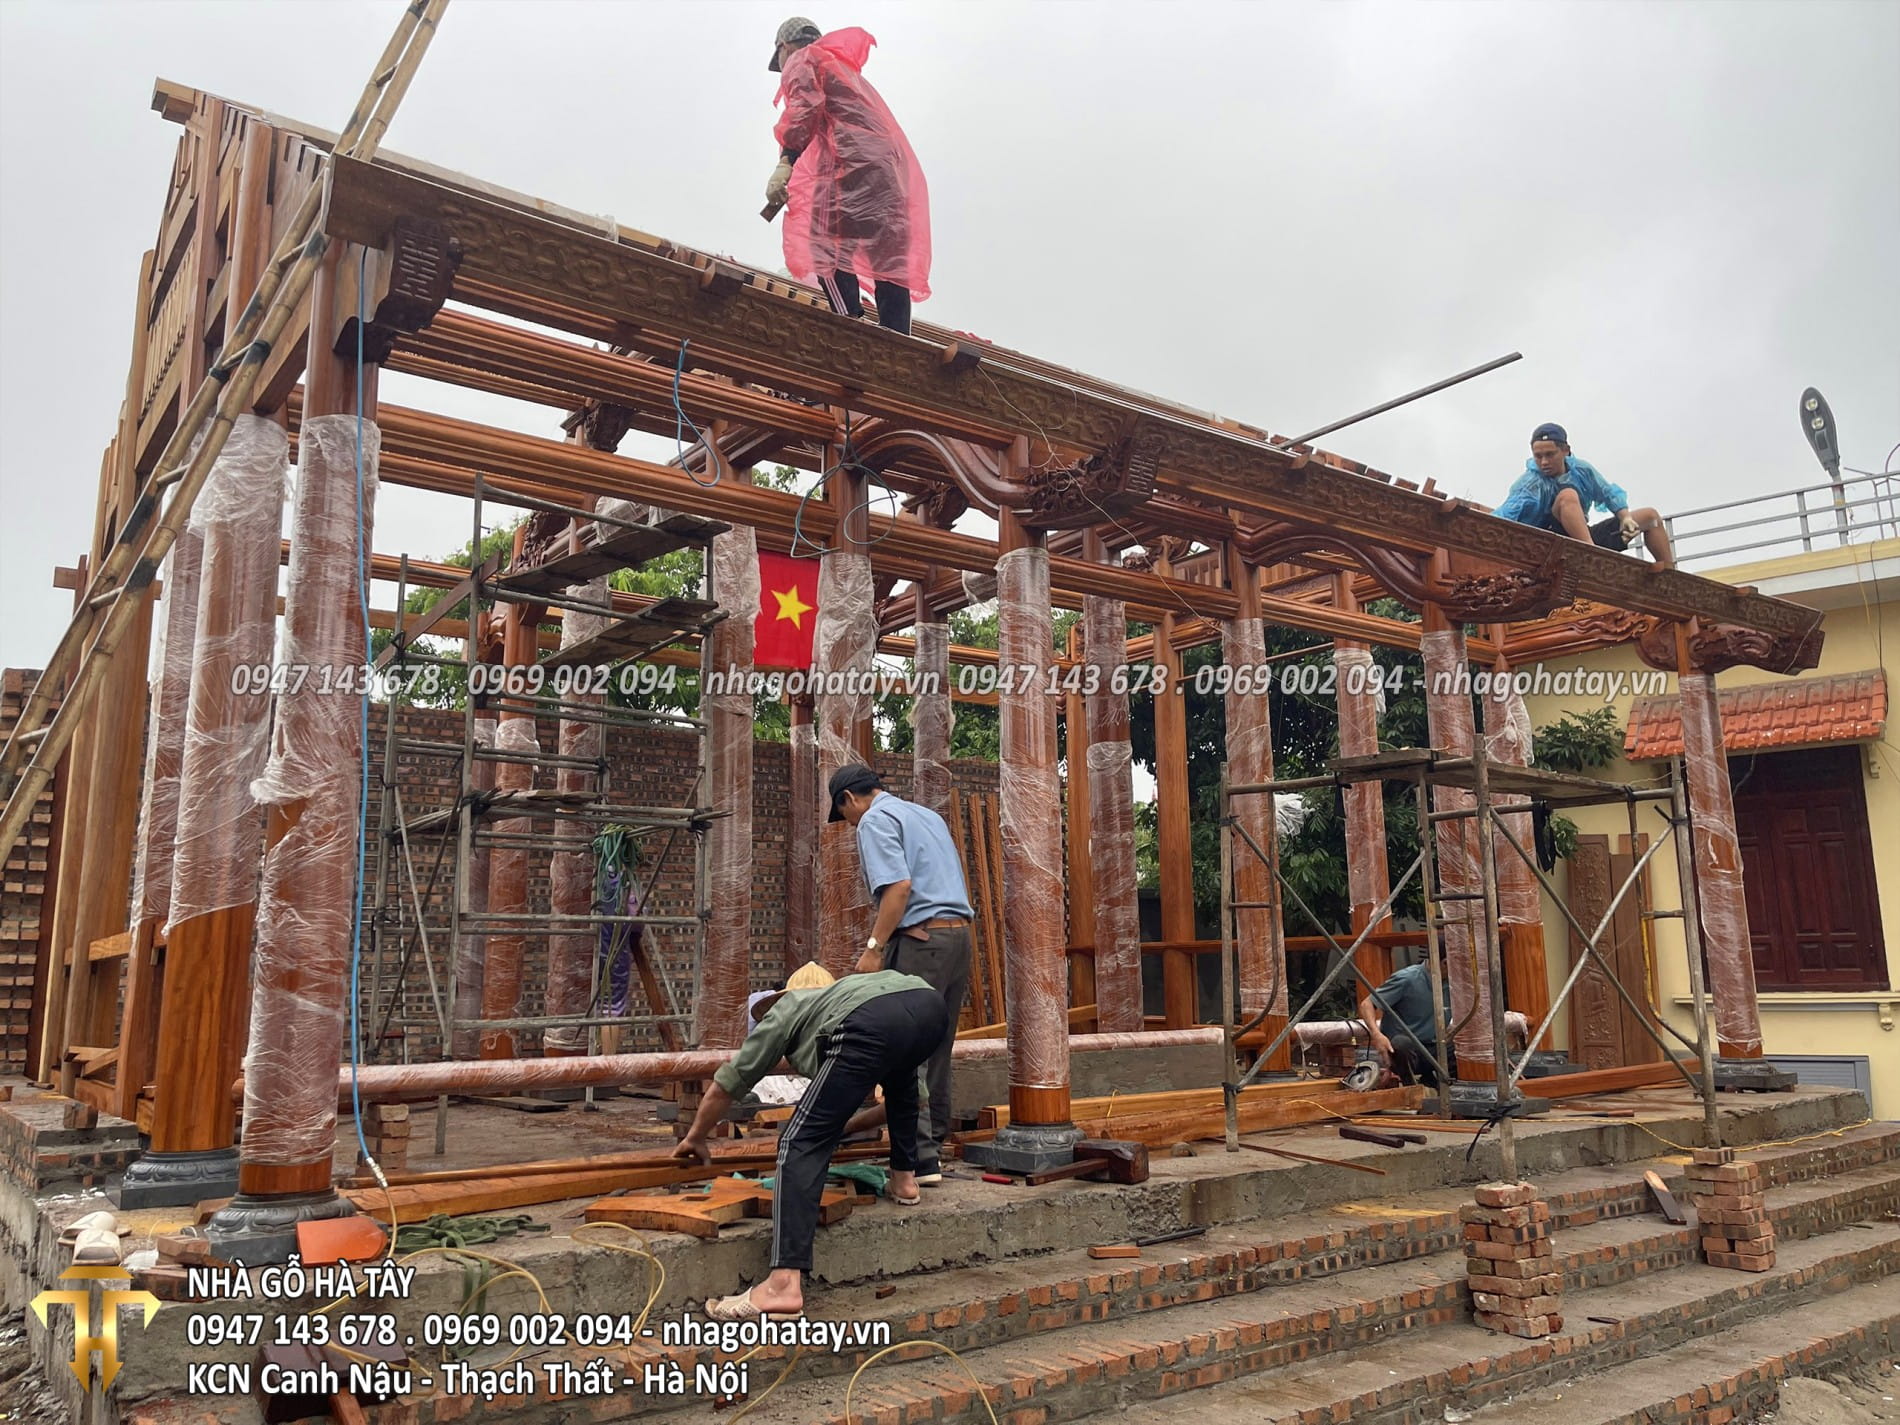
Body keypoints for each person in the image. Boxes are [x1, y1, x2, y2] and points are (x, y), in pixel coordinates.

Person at [674, 961, 946, 1320]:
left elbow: (729, 1082)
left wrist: (695, 1137)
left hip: (874, 1020)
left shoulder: (788, 1007)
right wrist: (840, 1127)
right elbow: (914, 1101)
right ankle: (904, 1182)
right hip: (929, 1006)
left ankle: (782, 1285)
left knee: (797, 1141)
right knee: (902, 1085)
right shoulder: (853, 995)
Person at [828, 763, 971, 1179]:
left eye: (844, 814)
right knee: (937, 1047)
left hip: (921, 943)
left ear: (849, 799)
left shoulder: (874, 821)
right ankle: (933, 1147)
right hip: (958, 939)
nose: (849, 823)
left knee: (906, 1051)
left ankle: (918, 1159)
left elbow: (899, 887)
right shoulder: (926, 816)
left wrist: (874, 949)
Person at [765, 17, 931, 334]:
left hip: (850, 164)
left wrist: (786, 161)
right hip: (889, 174)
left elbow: (804, 107)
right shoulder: (846, 72)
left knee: (824, 246)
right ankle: (898, 338)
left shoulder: (804, 58)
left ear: (784, 47)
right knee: (888, 259)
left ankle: (849, 325)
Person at [1494, 423, 1674, 569]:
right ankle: (1591, 555)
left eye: (1550, 455)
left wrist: (1625, 517)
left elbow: (1607, 493)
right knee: (1568, 495)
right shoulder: (1530, 484)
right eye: (1538, 456)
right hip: (1548, 544)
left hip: (1580, 535)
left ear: (1565, 450)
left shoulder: (1582, 470)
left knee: (1650, 517)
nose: (1544, 462)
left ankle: (1670, 576)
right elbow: (1507, 514)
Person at [1357, 955, 1455, 1088]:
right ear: (1445, 963)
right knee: (1401, 1043)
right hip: (1405, 1052)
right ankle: (1410, 1086)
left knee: (1462, 1046)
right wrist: (1377, 1036)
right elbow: (1366, 1004)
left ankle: (1446, 1087)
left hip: (1432, 1048)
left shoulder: (1454, 983)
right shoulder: (1407, 979)